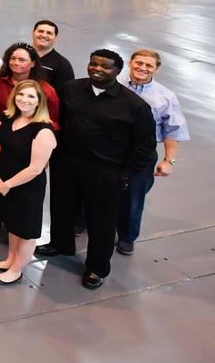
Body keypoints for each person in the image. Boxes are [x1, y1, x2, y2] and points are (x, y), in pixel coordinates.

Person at [38, 50, 157, 289]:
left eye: (105, 67)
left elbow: (144, 145)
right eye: (94, 64)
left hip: (106, 171)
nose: (98, 69)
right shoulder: (72, 88)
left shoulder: (135, 106)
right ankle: (61, 244)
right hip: (68, 164)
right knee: (62, 207)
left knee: (101, 221)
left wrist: (125, 174)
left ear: (117, 71)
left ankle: (97, 267)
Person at [0, 43, 61, 232]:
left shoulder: (46, 90)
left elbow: (53, 122)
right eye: (13, 58)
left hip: (26, 145)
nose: (16, 63)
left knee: (18, 191)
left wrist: (44, 153)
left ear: (33, 63)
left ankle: (13, 229)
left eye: (22, 59)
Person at [116, 49, 189, 255]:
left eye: (149, 65)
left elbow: (174, 130)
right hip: (111, 149)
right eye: (139, 63)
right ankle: (86, 221)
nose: (142, 68)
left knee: (133, 197)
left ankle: (127, 237)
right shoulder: (114, 84)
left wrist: (169, 161)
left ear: (156, 69)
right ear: (130, 63)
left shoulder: (165, 97)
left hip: (141, 153)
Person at [0, 80, 58, 285]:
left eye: (30, 96)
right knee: (12, 224)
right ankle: (10, 259)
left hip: (26, 187)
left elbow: (35, 168)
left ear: (39, 102)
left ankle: (17, 270)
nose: (24, 100)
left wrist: (8, 184)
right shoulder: (8, 117)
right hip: (4, 181)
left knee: (25, 230)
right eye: (21, 94)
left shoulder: (43, 130)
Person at [31, 19, 75, 94]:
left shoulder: (63, 64)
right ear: (33, 33)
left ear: (55, 38)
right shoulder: (19, 56)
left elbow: (67, 94)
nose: (44, 35)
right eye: (40, 31)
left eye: (49, 33)